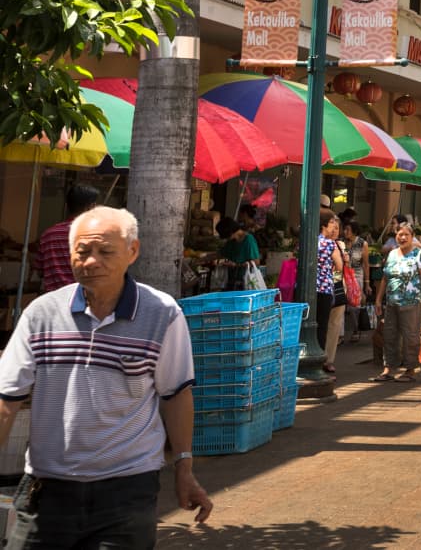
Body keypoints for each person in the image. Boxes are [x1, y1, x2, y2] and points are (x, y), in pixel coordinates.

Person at [0, 207, 212, 545]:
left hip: (127, 490)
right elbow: (6, 400)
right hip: (47, 489)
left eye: (105, 251)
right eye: (82, 252)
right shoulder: (40, 315)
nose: (91, 261)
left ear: (133, 252)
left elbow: (175, 396)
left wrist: (184, 468)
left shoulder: (162, 314)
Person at [374, 223, 421, 382]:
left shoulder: (419, 255)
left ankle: (410, 369)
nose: (402, 238)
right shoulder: (392, 254)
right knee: (389, 335)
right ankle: (388, 368)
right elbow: (385, 278)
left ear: (412, 236)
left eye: (406, 235)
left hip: (412, 302)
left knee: (411, 336)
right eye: (399, 234)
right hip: (392, 302)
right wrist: (379, 299)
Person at [34, 184, 100, 294]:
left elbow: (40, 271)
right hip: (82, 302)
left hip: (52, 302)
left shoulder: (48, 235)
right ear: (90, 207)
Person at [314, 210, 348, 377]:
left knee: (309, 326)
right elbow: (340, 266)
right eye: (331, 226)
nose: (334, 230)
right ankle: (319, 363)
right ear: (324, 226)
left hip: (308, 289)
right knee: (322, 327)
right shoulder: (329, 244)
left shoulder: (308, 241)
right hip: (325, 288)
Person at [214, 216, 261, 291]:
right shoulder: (231, 241)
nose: (225, 239)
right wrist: (202, 259)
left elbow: (256, 262)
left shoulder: (248, 240)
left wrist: (236, 265)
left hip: (246, 282)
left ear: (230, 232)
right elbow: (221, 254)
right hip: (232, 281)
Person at [342, 220, 369, 343]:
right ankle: (340, 334)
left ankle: (355, 328)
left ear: (354, 230)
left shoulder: (362, 244)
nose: (345, 232)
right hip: (343, 274)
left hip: (357, 274)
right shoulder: (341, 243)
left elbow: (365, 264)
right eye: (345, 229)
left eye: (348, 229)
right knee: (341, 302)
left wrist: (367, 283)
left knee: (354, 303)